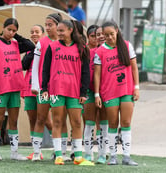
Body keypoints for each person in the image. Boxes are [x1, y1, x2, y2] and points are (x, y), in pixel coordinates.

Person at [41, 19, 93, 166]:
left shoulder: (82, 48)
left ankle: (78, 157)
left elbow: (85, 72)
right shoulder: (52, 47)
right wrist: (44, 88)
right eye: (58, 31)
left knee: (76, 122)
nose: (59, 33)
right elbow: (45, 69)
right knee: (57, 121)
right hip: (57, 89)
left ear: (71, 30)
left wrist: (83, 92)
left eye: (62, 31)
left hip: (75, 91)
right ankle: (59, 155)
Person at [0, 18, 35, 161]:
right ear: (3, 28)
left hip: (15, 86)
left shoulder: (15, 43)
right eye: (9, 29)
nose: (11, 33)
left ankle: (14, 152)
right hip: (1, 88)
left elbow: (30, 45)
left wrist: (16, 36)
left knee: (13, 120)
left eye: (14, 31)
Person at [94, 21, 139, 166]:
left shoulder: (126, 46)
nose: (109, 37)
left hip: (126, 90)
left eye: (111, 34)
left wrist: (136, 87)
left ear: (117, 32)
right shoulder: (100, 51)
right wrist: (96, 94)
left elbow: (134, 68)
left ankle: (126, 156)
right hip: (109, 92)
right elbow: (97, 75)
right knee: (112, 123)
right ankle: (112, 156)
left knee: (126, 122)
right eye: (105, 35)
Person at [31, 13, 70, 162]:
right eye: (46, 25)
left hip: (59, 88)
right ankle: (36, 153)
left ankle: (61, 152)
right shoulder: (41, 43)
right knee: (40, 118)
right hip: (44, 88)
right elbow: (35, 66)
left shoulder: (66, 43)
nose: (47, 28)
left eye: (50, 25)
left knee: (60, 120)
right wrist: (35, 85)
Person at [21, 24, 52, 160]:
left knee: (47, 120)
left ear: (43, 34)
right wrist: (33, 50)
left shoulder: (48, 47)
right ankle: (36, 151)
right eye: (32, 32)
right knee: (32, 119)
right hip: (29, 88)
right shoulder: (30, 50)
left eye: (37, 32)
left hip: (44, 88)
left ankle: (60, 148)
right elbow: (23, 65)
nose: (34, 34)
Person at [83, 24, 109, 164]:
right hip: (90, 92)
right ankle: (87, 154)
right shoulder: (89, 53)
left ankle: (102, 154)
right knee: (89, 123)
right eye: (96, 34)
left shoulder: (112, 52)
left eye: (101, 34)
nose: (99, 37)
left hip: (105, 92)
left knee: (103, 124)